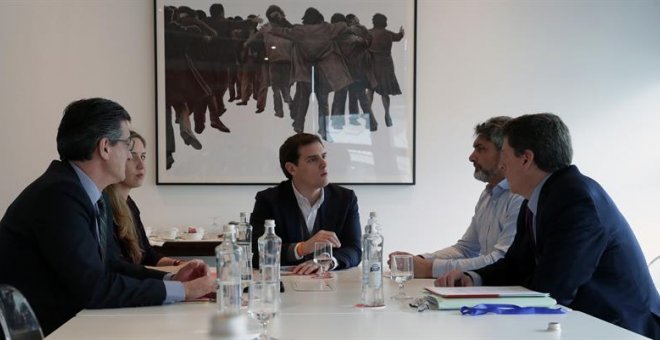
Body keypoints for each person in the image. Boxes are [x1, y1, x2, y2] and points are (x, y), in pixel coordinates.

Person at [0, 98, 215, 336]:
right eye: (126, 145)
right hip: (50, 329)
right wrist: (184, 292)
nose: (130, 155)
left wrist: (173, 279)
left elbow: (111, 265)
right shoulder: (60, 195)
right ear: (105, 148)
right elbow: (94, 288)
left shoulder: (88, 194)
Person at [435, 113, 660, 338]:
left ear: (526, 159)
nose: (502, 164)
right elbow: (516, 265)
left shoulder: (575, 198)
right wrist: (473, 277)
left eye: (504, 153)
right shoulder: (538, 198)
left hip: (618, 328)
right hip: (580, 323)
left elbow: (553, 290)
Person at [389, 117, 523, 278]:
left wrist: (429, 268)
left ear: (504, 154)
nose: (472, 157)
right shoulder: (487, 194)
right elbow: (465, 249)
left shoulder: (520, 198)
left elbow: (501, 260)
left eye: (481, 149)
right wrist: (420, 260)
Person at [250, 133, 361, 274]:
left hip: (331, 285)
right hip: (286, 286)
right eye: (313, 160)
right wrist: (302, 248)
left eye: (324, 156)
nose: (324, 163)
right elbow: (256, 254)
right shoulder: (269, 200)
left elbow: (354, 250)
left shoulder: (345, 198)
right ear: (291, 168)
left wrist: (329, 262)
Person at [104, 131, 182, 267]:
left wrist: (179, 264)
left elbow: (148, 255)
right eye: (132, 157)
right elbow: (119, 268)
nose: (141, 165)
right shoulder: (104, 206)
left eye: (143, 156)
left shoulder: (130, 204)